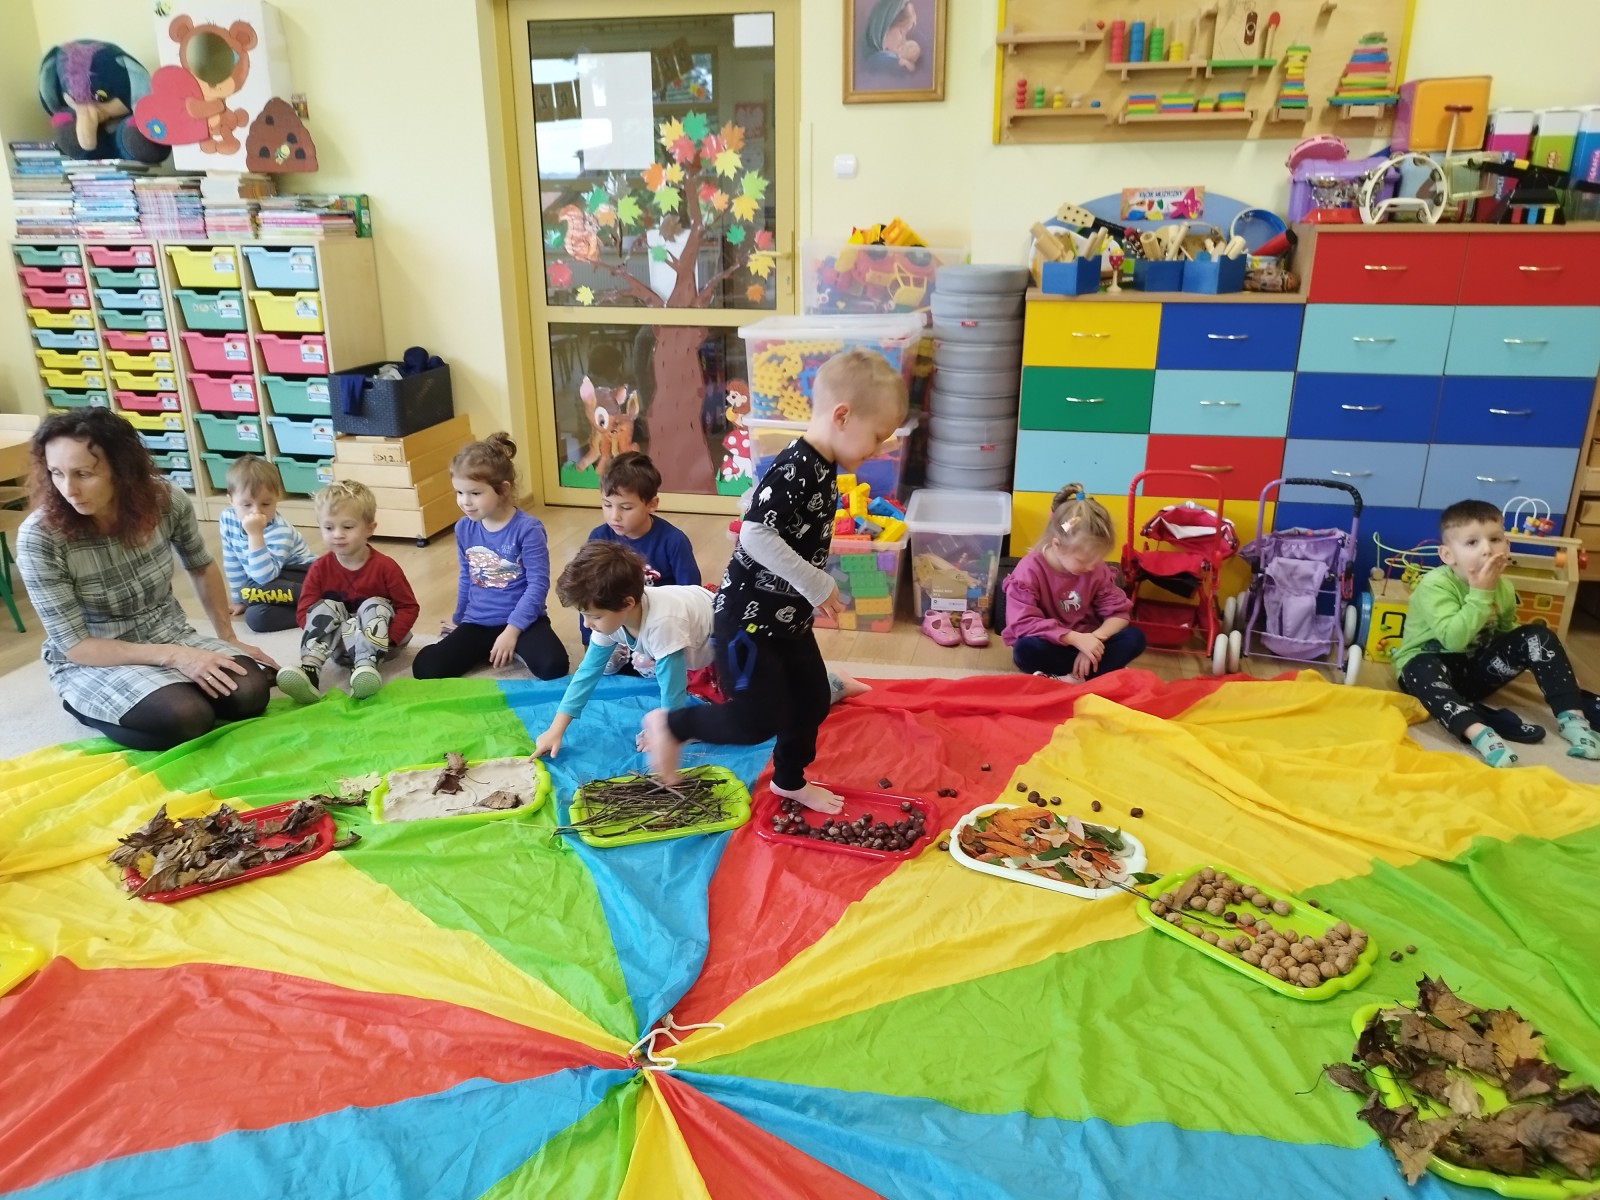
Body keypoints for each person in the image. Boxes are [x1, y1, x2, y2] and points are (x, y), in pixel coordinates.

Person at [643, 347, 909, 812]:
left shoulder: (824, 466)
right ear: (842, 416)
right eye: (876, 436)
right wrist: (816, 584)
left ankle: (788, 780)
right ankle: (672, 726)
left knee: (812, 699)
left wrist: (810, 591)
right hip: (747, 623)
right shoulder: (796, 467)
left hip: (786, 620)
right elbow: (755, 535)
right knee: (756, 720)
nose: (877, 450)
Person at [15, 408, 275, 750]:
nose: (69, 489)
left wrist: (228, 637)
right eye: (56, 473)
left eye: (83, 474)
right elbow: (75, 645)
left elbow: (200, 565)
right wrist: (176, 657)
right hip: (96, 655)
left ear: (121, 469)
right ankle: (80, 703)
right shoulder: (39, 538)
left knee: (252, 693)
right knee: (187, 718)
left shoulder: (165, 499)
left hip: (168, 631)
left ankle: (168, 690)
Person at [1393, 499, 1599, 767]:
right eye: (1472, 542)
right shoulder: (1435, 585)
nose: (1487, 549)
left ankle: (1574, 719)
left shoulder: (1504, 588)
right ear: (1447, 555)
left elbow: (1505, 633)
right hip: (1430, 671)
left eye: (1495, 539)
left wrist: (1541, 659)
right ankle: (1478, 731)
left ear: (1507, 545)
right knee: (1418, 665)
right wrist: (1481, 593)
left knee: (1538, 635)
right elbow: (1453, 641)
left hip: (1475, 672)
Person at [531, 542, 712, 759]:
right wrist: (555, 730)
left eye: (594, 616)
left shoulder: (663, 623)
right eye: (583, 615)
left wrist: (669, 732)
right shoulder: (612, 616)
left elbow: (672, 686)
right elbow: (587, 673)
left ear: (627, 603)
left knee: (732, 710)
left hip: (728, 637)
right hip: (690, 634)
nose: (587, 624)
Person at [412, 432, 568, 681]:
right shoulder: (464, 528)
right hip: (478, 622)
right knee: (425, 668)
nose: (465, 502)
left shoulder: (528, 529)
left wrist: (512, 632)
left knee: (554, 667)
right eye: (459, 493)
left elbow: (538, 585)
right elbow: (467, 576)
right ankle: (489, 647)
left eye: (475, 493)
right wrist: (459, 620)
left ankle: (510, 646)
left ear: (503, 490)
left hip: (524, 623)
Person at [277, 480, 419, 703]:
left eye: (348, 527)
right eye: (329, 528)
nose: (337, 534)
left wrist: (390, 639)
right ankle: (310, 671)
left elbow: (408, 607)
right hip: (338, 646)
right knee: (324, 607)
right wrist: (331, 636)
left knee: (374, 604)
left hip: (381, 642)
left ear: (370, 528)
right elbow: (305, 611)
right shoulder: (319, 568)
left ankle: (365, 669)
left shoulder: (385, 567)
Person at [1002, 484, 1146, 683]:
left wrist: (1093, 642)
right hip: (1052, 642)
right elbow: (1022, 623)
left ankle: (1071, 675)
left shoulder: (1096, 569)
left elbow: (1119, 614)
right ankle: (1092, 673)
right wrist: (1075, 639)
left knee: (1135, 638)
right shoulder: (1029, 571)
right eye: (1083, 561)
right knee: (1025, 649)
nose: (1091, 567)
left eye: (1096, 560)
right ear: (1057, 545)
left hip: (1090, 640)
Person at [217, 454, 316, 633]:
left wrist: (255, 534)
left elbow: (264, 577)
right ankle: (317, 608)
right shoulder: (227, 518)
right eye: (246, 505)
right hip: (266, 581)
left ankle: (325, 595)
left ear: (276, 498)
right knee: (256, 617)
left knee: (251, 588)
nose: (256, 511)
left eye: (265, 504)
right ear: (231, 500)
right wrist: (239, 600)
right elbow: (232, 562)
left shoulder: (280, 530)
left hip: (299, 574)